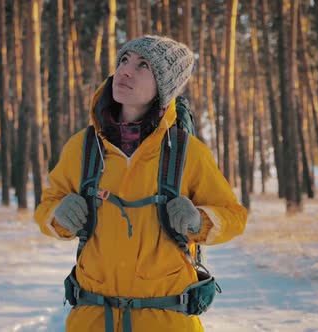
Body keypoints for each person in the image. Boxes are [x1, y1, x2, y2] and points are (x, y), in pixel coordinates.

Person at [34, 35, 247, 332]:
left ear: (165, 86)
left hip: (166, 321)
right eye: (124, 60)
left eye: (143, 65)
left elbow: (234, 216)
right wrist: (58, 213)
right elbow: (46, 208)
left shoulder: (187, 152)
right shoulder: (83, 147)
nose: (125, 71)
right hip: (92, 319)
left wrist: (199, 220)